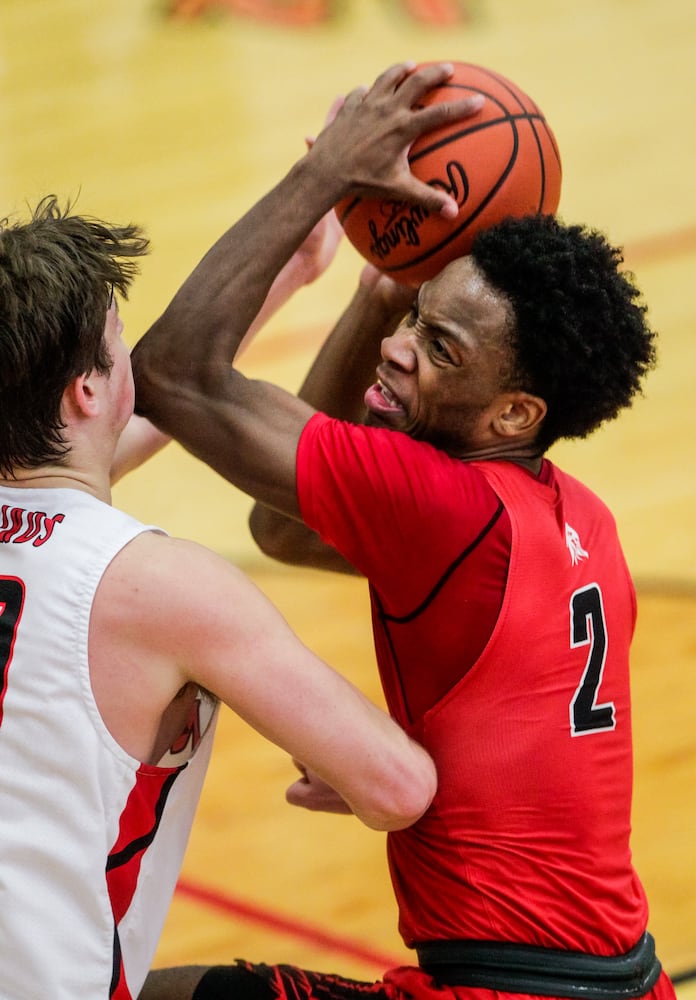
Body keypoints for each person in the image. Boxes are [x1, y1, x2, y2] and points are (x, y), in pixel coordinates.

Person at [131, 62, 676, 1000]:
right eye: (417, 319)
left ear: (513, 414)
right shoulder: (579, 516)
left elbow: (174, 373)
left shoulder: (441, 506)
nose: (398, 349)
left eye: (439, 348)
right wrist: (381, 292)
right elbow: (287, 532)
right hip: (624, 979)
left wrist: (324, 179)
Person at [0, 66, 462, 999]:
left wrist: (288, 274)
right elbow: (398, 789)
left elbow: (118, 442)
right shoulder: (165, 588)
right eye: (123, 343)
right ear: (88, 388)